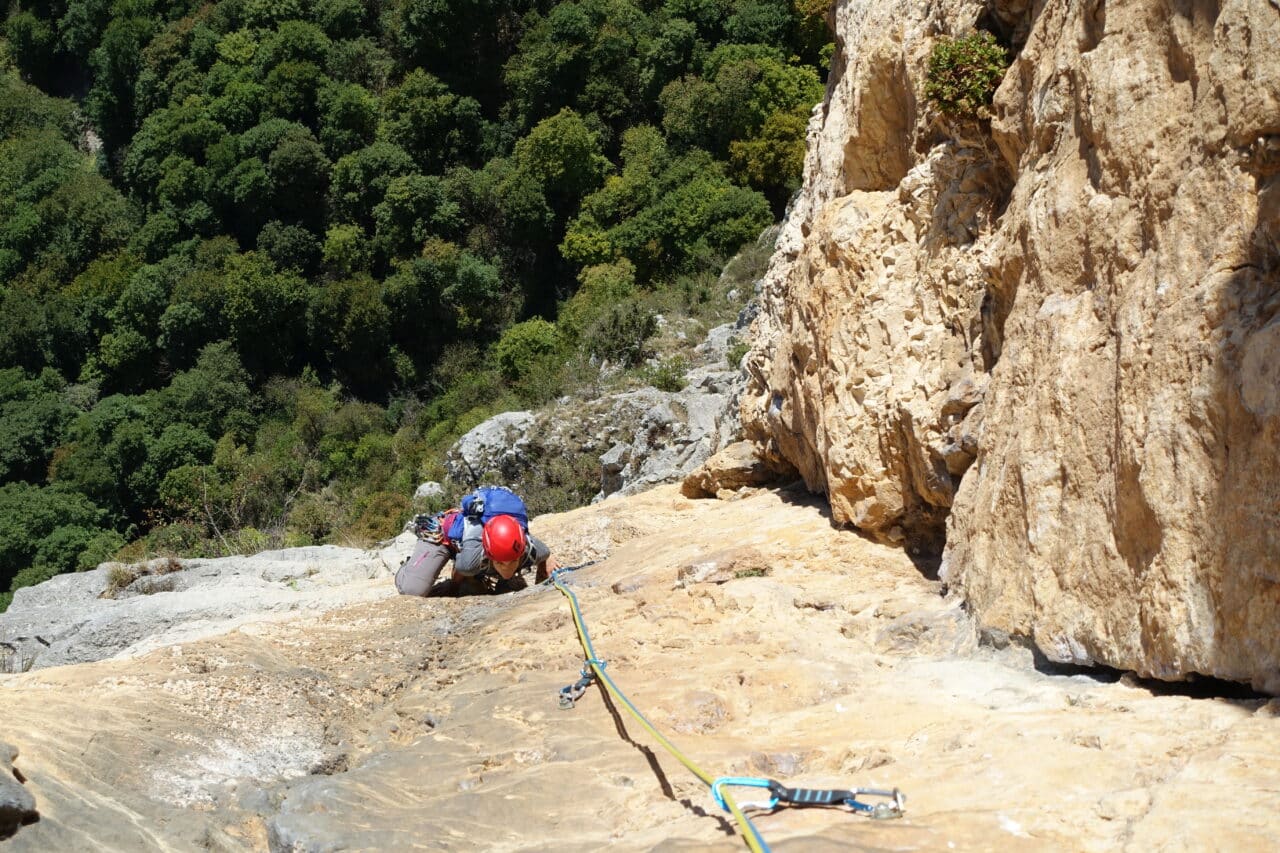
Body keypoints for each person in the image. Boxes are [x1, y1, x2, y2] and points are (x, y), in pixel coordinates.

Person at [395, 492, 560, 598]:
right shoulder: (469, 561)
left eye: (512, 561)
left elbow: (544, 553)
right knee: (413, 590)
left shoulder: (529, 549)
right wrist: (454, 586)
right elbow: (460, 570)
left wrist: (546, 563)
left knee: (508, 586)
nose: (507, 568)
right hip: (443, 537)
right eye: (501, 563)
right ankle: (409, 568)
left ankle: (480, 575)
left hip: (476, 551)